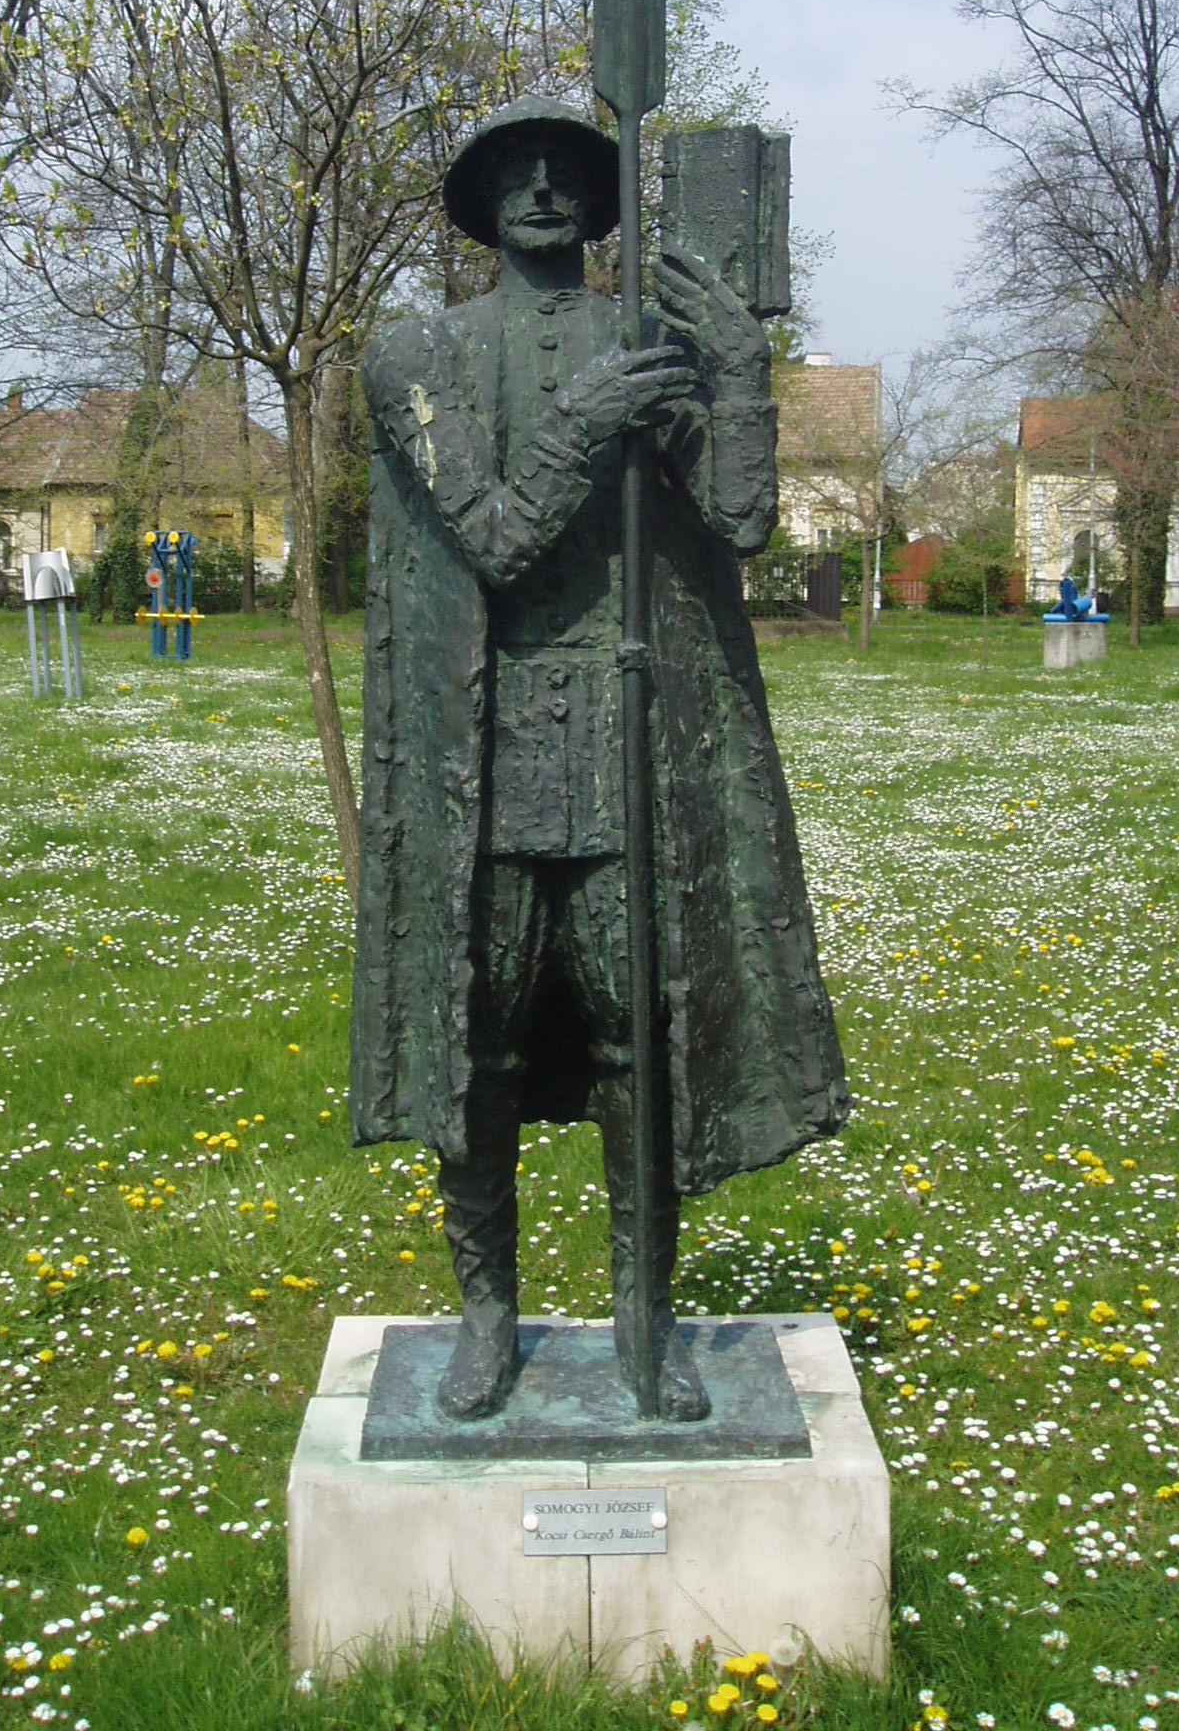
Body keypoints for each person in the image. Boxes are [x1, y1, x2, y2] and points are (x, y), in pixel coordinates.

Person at [349, 95, 849, 1422]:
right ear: (478, 204)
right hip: (487, 756)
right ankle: (486, 1318)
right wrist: (583, 421)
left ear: (601, 195)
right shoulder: (418, 356)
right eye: (514, 170)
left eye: (567, 167)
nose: (541, 187)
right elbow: (496, 538)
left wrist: (733, 373)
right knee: (480, 1044)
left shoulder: (650, 344)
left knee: (645, 1039)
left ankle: (647, 1323)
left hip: (629, 750)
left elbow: (741, 519)